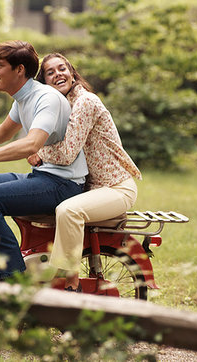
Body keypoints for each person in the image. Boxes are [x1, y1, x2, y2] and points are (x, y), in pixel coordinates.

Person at [0, 42, 88, 280]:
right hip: (41, 177)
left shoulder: (46, 98)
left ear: (19, 70)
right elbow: (2, 132)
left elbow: (31, 144)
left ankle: (11, 275)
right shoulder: (24, 98)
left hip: (63, 185)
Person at [30, 53, 142, 291]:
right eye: (50, 72)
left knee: (68, 211)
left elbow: (67, 153)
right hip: (92, 188)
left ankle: (71, 285)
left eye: (62, 68)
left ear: (72, 73)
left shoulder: (85, 102)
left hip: (116, 187)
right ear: (44, 82)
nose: (58, 74)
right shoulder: (63, 105)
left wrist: (38, 151)